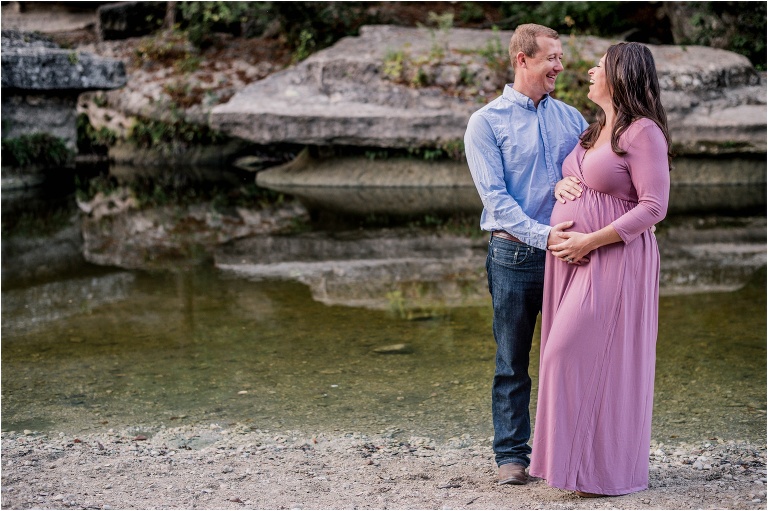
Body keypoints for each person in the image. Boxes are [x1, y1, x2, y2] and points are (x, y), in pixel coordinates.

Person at [529, 42, 671, 497]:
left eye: (598, 66)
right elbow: (580, 176)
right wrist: (562, 181)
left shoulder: (643, 132)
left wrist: (589, 239)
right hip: (577, 262)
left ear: (620, 76)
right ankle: (584, 470)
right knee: (580, 360)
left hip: (616, 258)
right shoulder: (596, 129)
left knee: (566, 355)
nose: (588, 71)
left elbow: (654, 207)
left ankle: (604, 469)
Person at [464, 24, 588, 485]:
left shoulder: (573, 119)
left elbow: (589, 177)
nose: (560, 65)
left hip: (569, 255)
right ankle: (512, 457)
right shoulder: (486, 122)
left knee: (570, 356)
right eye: (552, 58)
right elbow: (496, 203)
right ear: (522, 60)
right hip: (513, 257)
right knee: (512, 362)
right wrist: (546, 236)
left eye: (560, 57)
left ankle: (565, 452)